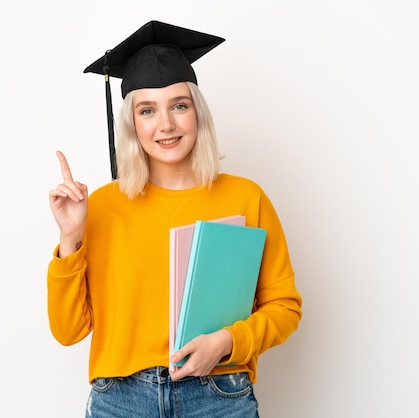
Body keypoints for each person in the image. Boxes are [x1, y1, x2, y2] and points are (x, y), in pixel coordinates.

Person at [47, 20, 302, 417]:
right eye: (147, 110)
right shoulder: (100, 206)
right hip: (121, 400)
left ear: (197, 113)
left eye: (179, 106)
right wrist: (70, 238)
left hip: (218, 396)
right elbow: (68, 331)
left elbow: (284, 307)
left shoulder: (245, 197)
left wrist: (227, 341)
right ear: (132, 124)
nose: (165, 124)